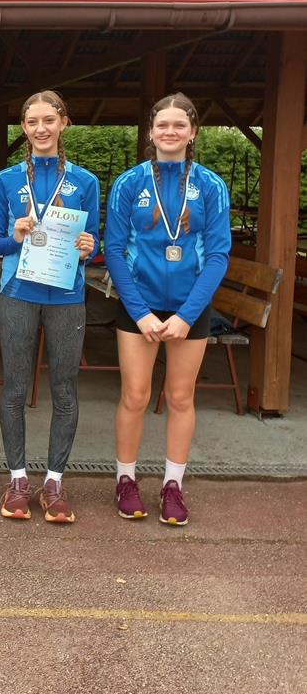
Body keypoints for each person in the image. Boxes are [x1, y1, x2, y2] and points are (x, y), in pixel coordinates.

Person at [104, 93, 231, 526]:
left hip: (189, 308)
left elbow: (218, 255)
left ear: (192, 132)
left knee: (180, 396)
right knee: (135, 395)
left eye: (179, 125)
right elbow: (114, 251)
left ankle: (173, 485)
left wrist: (187, 315)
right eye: (162, 125)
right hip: (138, 306)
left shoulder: (211, 185)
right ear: (151, 131)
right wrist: (140, 312)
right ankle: (125, 480)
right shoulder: (129, 183)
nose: (170, 132)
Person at [0, 91, 99, 525]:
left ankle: (54, 483)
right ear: (24, 128)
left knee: (64, 391)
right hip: (19, 293)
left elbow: (93, 243)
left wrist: (89, 246)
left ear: (64, 122)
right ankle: (17, 480)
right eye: (32, 122)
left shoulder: (85, 181)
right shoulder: (7, 180)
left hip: (67, 296)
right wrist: (13, 235)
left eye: (48, 120)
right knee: (15, 389)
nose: (41, 129)